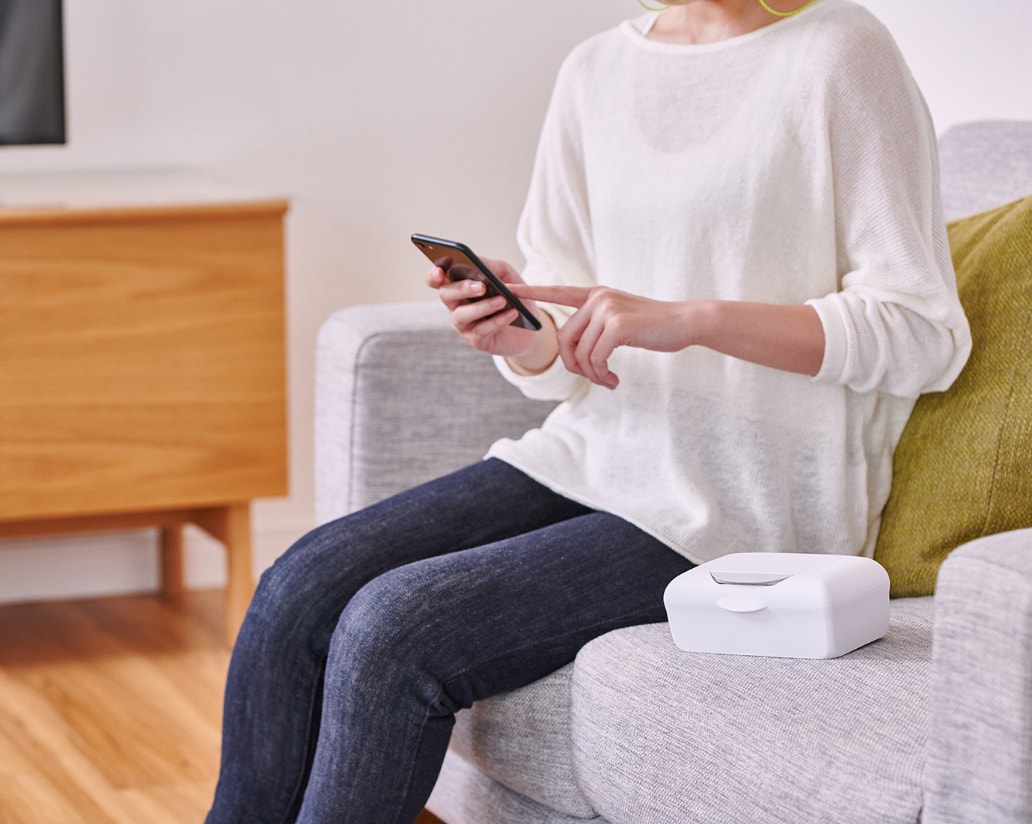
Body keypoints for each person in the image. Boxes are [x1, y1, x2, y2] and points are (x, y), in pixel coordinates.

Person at [206, 0, 970, 821]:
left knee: (393, 629)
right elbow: (566, 354)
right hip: (592, 451)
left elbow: (922, 332)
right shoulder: (596, 71)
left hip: (748, 503)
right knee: (298, 585)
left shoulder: (840, 52)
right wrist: (521, 336)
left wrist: (694, 319)